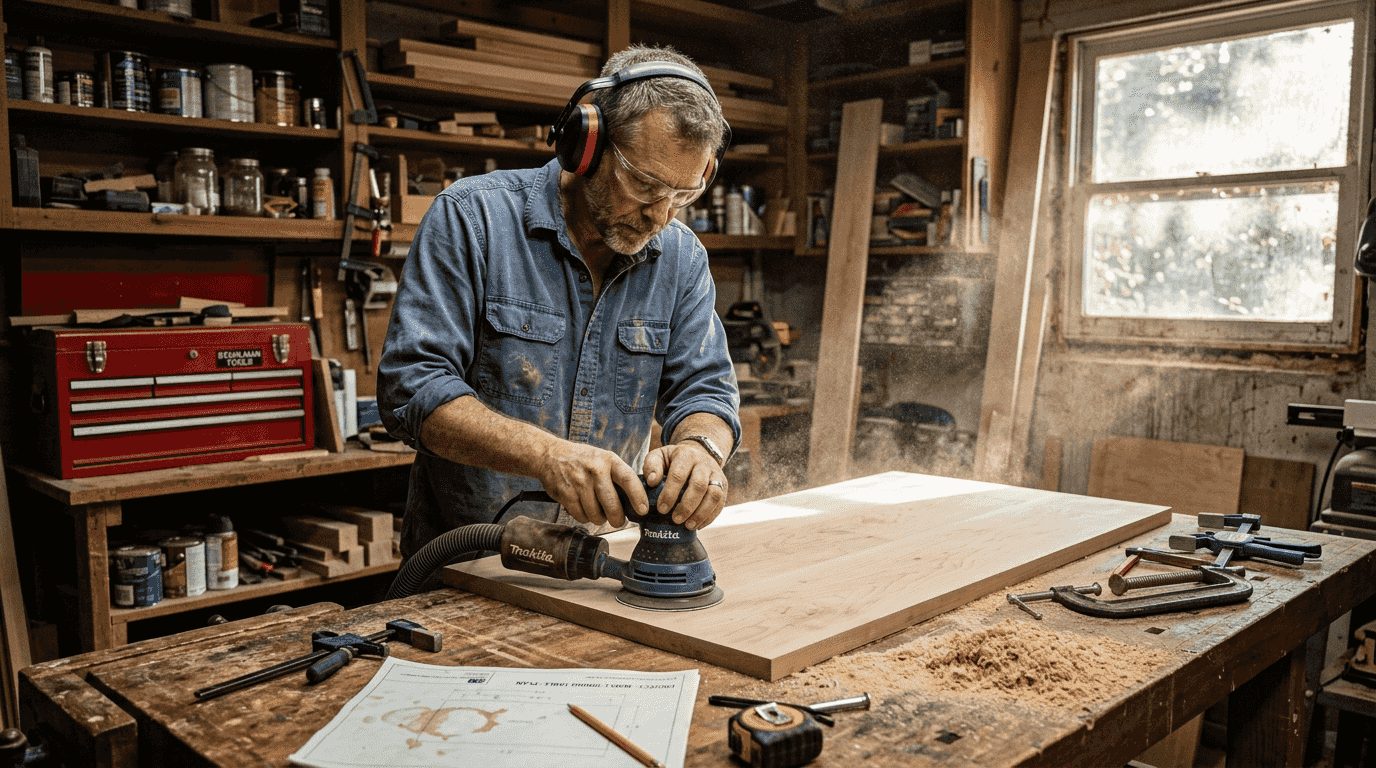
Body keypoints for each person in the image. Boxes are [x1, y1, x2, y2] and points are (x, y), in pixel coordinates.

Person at [377, 44, 741, 558]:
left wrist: (701, 449)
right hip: (468, 562)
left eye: (683, 196)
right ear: (586, 144)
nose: (661, 217)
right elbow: (411, 389)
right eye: (644, 184)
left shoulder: (681, 258)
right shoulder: (472, 218)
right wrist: (545, 456)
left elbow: (705, 389)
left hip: (600, 564)